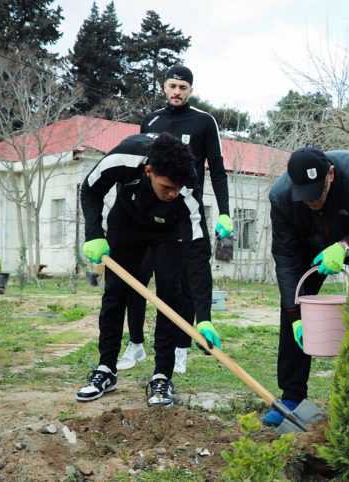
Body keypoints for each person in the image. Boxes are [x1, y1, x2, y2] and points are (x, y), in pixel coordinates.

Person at [76, 132, 222, 407]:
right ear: (148, 170)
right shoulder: (123, 157)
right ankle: (106, 369)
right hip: (127, 223)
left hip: (169, 234)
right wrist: (93, 234)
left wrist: (203, 316)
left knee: (170, 294)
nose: (173, 193)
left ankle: (161, 376)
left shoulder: (186, 186)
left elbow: (198, 254)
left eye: (177, 188)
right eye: (167, 186)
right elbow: (90, 189)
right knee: (115, 294)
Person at [118, 64, 233, 374]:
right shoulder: (151, 121)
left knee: (180, 285)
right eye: (172, 86)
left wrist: (224, 212)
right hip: (149, 216)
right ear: (164, 87)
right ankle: (136, 344)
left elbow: (218, 170)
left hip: (186, 215)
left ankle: (181, 348)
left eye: (183, 87)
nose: (177, 92)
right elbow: (141, 166)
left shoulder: (204, 122)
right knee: (137, 278)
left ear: (190, 90)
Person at [265, 147, 349, 426]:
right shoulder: (281, 197)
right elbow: (286, 260)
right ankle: (291, 396)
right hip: (305, 249)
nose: (312, 201)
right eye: (305, 195)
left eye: (317, 193)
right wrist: (295, 316)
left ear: (331, 176)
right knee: (293, 308)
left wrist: (346, 246)